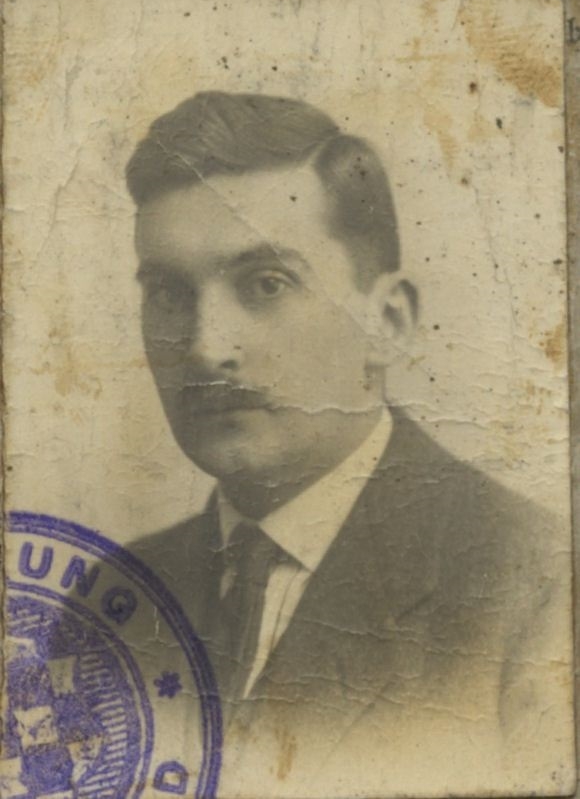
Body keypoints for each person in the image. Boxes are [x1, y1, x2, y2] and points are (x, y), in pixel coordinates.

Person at [124, 91, 571, 795]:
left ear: (388, 322)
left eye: (266, 283)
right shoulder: (109, 598)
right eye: (171, 293)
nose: (207, 347)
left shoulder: (536, 588)